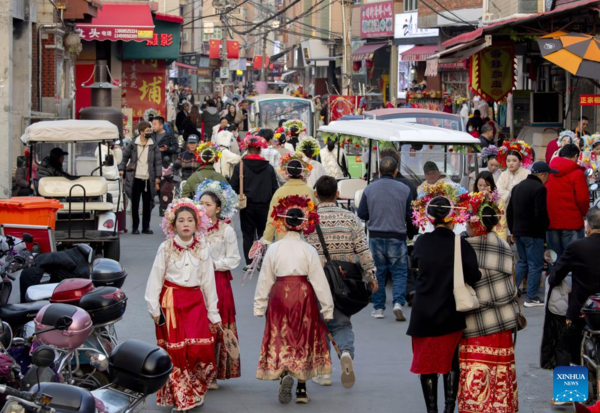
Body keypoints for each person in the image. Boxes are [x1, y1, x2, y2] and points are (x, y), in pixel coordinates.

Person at [254, 195, 333, 405]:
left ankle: (283, 375)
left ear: (283, 222)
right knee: (302, 338)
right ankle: (301, 389)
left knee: (281, 337)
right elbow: (319, 280)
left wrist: (259, 305)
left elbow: (265, 278)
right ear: (303, 225)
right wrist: (327, 308)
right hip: (303, 295)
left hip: (279, 293)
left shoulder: (274, 249)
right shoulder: (309, 250)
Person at [408, 190, 481, 413]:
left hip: (423, 315)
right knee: (451, 362)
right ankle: (449, 408)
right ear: (452, 217)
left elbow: (414, 270)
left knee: (427, 366)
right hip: (451, 312)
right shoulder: (460, 244)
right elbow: (474, 275)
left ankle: (432, 410)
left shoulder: (420, 243)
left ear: (429, 218)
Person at [145, 198, 219, 411]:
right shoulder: (166, 248)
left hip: (195, 303)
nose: (185, 224)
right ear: (173, 224)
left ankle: (197, 389)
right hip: (171, 304)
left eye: (190, 220)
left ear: (197, 224)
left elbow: (208, 282)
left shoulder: (203, 249)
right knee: (176, 353)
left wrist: (213, 313)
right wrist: (154, 309)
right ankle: (183, 398)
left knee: (199, 350)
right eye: (181, 221)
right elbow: (155, 278)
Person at [306, 176, 378, 388]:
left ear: (316, 194)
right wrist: (371, 276)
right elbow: (363, 250)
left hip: (316, 279)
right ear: (337, 194)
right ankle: (345, 351)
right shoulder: (350, 218)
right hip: (345, 280)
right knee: (341, 322)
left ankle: (324, 372)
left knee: (320, 324)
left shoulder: (309, 219)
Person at [459, 191, 518, 413]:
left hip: (474, 322)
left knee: (476, 371)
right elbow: (509, 287)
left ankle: (476, 408)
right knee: (499, 370)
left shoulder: (465, 247)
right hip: (502, 320)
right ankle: (502, 407)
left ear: (477, 225)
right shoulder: (503, 246)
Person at [195, 180, 242, 388]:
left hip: (219, 282)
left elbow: (234, 260)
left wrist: (211, 264)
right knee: (198, 326)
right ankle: (197, 370)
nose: (203, 208)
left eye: (208, 204)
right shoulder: (193, 228)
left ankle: (213, 372)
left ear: (218, 208)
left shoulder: (226, 231)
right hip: (195, 283)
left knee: (217, 326)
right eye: (201, 203)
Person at [357, 157, 412, 321]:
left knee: (378, 273)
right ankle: (398, 303)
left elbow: (362, 214)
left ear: (379, 171)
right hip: (397, 235)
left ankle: (379, 308)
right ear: (396, 171)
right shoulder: (405, 189)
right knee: (400, 272)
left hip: (376, 236)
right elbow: (410, 215)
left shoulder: (370, 189)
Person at [550, 207, 600, 368]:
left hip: (582, 310)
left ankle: (570, 393)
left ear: (588, 227)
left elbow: (555, 276)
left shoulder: (577, 247)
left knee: (565, 346)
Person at [507, 161, 556, 307]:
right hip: (533, 232)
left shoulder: (517, 187)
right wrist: (544, 230)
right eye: (547, 175)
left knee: (522, 261)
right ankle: (532, 297)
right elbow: (540, 213)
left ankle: (510, 291)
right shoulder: (539, 188)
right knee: (535, 264)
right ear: (541, 174)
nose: (547, 178)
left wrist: (513, 230)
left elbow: (510, 211)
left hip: (518, 231)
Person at [230, 135, 279, 266]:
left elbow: (233, 187)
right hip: (265, 206)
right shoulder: (269, 168)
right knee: (264, 235)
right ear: (260, 150)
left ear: (247, 149)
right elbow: (275, 189)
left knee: (248, 236)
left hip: (247, 206)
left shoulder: (239, 166)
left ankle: (249, 262)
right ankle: (262, 260)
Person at [546, 143, 590, 261]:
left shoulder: (549, 171)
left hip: (552, 220)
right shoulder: (577, 173)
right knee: (572, 258)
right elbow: (583, 199)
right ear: (576, 156)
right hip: (572, 221)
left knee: (554, 259)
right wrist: (584, 214)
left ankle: (554, 280)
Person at [119, 122, 162, 235]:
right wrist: (121, 169)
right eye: (147, 131)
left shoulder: (153, 145)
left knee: (148, 204)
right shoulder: (133, 144)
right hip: (135, 177)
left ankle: (146, 227)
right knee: (135, 203)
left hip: (149, 178)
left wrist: (158, 176)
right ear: (141, 132)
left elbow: (158, 162)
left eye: (150, 131)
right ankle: (135, 227)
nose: (149, 133)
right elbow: (124, 157)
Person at [263, 153, 315, 245]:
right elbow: (314, 215)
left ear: (286, 172)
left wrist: (267, 239)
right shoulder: (309, 191)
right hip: (304, 238)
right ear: (302, 172)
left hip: (283, 237)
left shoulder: (279, 192)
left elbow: (272, 220)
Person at [472, 171, 508, 241]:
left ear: (491, 185)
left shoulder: (498, 201)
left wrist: (501, 242)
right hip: (474, 236)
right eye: (479, 185)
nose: (482, 188)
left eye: (485, 185)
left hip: (492, 237)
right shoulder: (471, 197)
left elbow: (502, 225)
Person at [496, 140, 533, 206]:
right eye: (508, 161)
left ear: (520, 161)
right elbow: (498, 190)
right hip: (505, 207)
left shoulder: (526, 173)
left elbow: (527, 191)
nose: (511, 163)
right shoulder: (503, 174)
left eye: (514, 161)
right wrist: (511, 193)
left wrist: (511, 193)